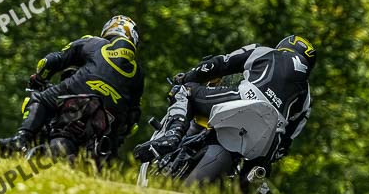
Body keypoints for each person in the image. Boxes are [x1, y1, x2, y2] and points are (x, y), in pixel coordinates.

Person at [133, 35, 316, 168]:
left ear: (283, 45)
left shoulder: (265, 52)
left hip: (245, 98)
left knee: (184, 91)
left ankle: (172, 135)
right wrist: (272, 157)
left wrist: (188, 77)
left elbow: (221, 63)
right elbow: (289, 137)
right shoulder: (307, 95)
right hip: (271, 132)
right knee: (256, 173)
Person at [0, 15, 144, 159]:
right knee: (112, 145)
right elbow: (134, 115)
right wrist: (121, 132)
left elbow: (51, 60)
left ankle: (21, 140)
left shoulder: (93, 42)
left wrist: (40, 78)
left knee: (41, 99)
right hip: (110, 114)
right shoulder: (138, 72)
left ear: (108, 29)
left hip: (80, 88)